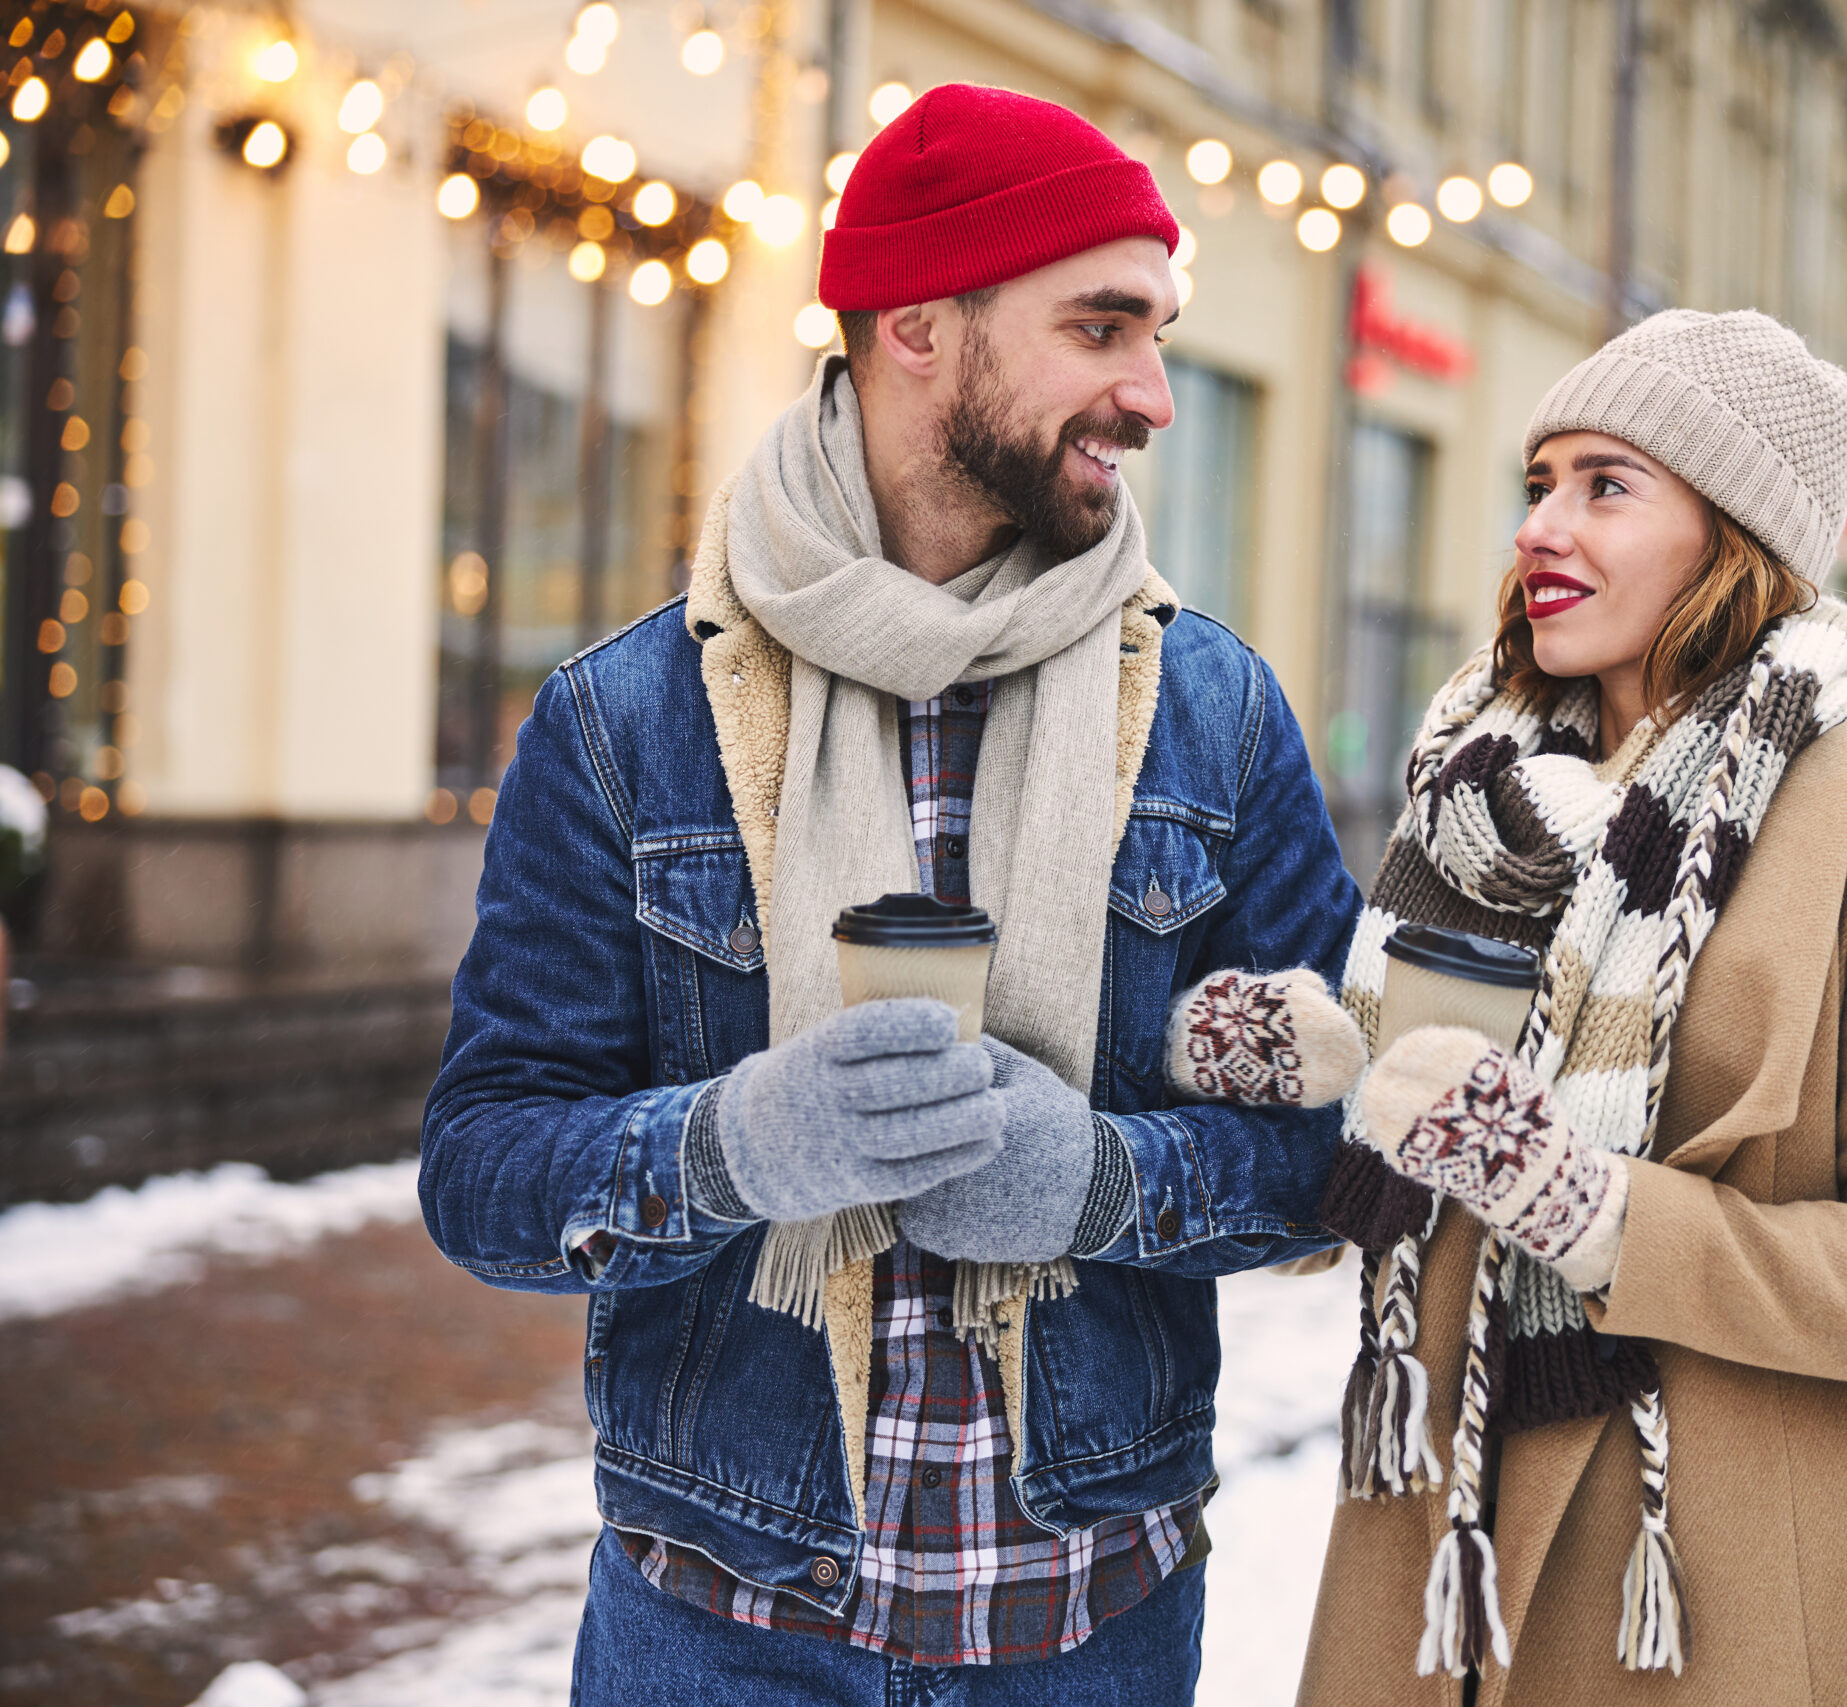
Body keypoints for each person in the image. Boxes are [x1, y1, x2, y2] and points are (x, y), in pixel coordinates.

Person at [419, 84, 1366, 1705]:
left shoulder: (1213, 714)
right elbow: (484, 1169)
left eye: (1159, 333)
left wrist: (1101, 1187)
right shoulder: (627, 721)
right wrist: (732, 1146)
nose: (1152, 393)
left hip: (1091, 1631)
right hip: (721, 1626)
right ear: (920, 329)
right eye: (1102, 327)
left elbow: (1338, 1147)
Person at [1198, 310, 1847, 1703]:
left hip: (1712, 1584)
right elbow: (1418, 1131)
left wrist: (1598, 1213)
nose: (1542, 527)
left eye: (1607, 486)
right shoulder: (1479, 806)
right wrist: (1311, 1065)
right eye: (1539, 484)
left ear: (1735, 538)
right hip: (1444, 1557)